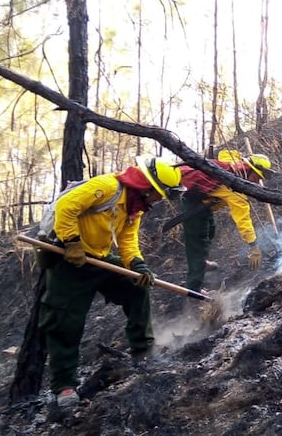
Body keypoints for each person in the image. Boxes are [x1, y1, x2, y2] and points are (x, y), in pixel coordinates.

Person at [38, 156, 184, 408]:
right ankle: (64, 386)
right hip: (69, 261)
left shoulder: (134, 206)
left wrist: (136, 264)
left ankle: (143, 351)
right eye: (159, 195)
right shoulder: (107, 187)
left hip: (100, 258)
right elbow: (67, 206)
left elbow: (127, 239)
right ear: (147, 188)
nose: (158, 201)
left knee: (137, 287)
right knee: (65, 321)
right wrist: (72, 242)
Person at [177, 154, 273, 293]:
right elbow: (243, 219)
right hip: (194, 204)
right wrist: (253, 245)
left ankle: (202, 260)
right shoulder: (234, 190)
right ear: (248, 170)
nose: (257, 182)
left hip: (204, 203)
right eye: (257, 177)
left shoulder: (232, 167)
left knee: (210, 230)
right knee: (198, 243)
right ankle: (194, 289)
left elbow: (226, 154)